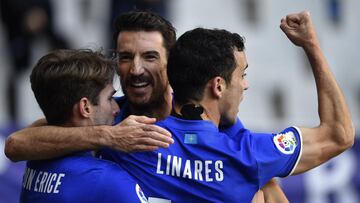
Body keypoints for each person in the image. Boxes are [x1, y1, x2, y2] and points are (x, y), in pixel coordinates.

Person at [6, 11, 287, 202]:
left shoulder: (216, 124)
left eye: (150, 56)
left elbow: (265, 182)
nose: (136, 69)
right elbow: (17, 144)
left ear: (171, 63)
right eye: (126, 57)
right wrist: (108, 136)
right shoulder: (105, 116)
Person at [98, 11, 354, 202]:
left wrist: (104, 137)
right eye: (242, 75)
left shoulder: (122, 141)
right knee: (265, 188)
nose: (245, 85)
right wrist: (311, 45)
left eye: (150, 56)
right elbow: (339, 134)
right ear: (218, 86)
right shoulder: (245, 157)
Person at [20, 49, 148, 202]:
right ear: (85, 107)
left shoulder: (35, 159)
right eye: (110, 98)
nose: (117, 108)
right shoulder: (106, 179)